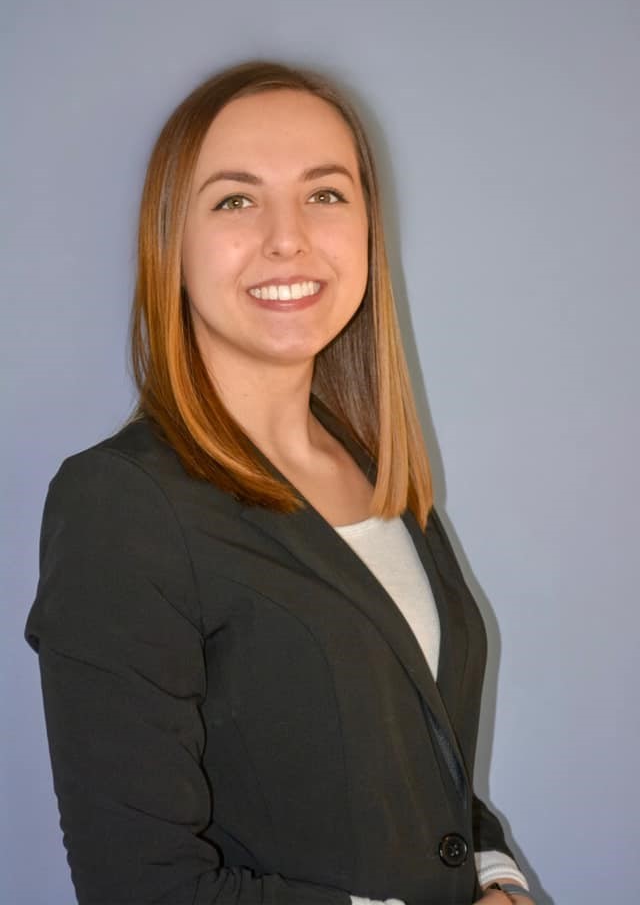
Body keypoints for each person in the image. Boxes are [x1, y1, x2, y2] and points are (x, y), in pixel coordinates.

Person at [26, 60, 535, 905]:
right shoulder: (122, 504)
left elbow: (423, 773)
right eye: (234, 199)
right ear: (171, 244)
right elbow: (139, 887)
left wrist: (498, 879)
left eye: (325, 194)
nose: (288, 237)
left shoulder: (378, 478)